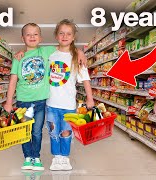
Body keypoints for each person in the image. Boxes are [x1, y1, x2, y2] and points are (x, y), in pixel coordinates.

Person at [4, 23, 87, 171]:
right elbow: (12, 82)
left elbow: (65, 47)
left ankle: (36, 157)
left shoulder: (46, 51)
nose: (32, 37)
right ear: (22, 38)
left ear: (41, 38)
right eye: (28, 35)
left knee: (37, 131)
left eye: (35, 34)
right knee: (25, 131)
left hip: (42, 101)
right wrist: (8, 102)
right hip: (23, 100)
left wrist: (80, 52)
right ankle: (27, 157)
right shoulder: (18, 58)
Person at [46, 19, 94, 171]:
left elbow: (85, 78)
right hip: (51, 103)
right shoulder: (50, 54)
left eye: (68, 34)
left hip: (68, 104)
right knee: (53, 131)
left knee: (66, 132)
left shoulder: (76, 57)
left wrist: (90, 98)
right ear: (56, 35)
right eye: (61, 33)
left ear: (73, 37)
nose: (64, 36)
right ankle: (56, 157)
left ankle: (65, 158)